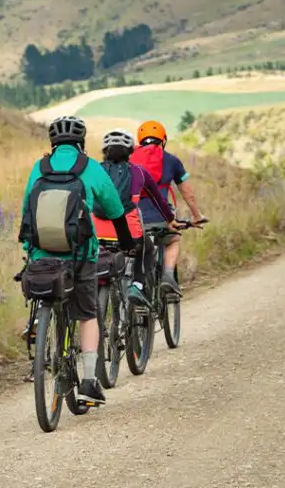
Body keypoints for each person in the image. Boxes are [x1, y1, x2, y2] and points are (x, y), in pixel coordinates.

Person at [18, 115, 136, 406]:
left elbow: (25, 211)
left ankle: (37, 327)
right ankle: (88, 381)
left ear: (52, 143)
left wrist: (28, 246)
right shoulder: (90, 167)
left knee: (44, 286)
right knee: (87, 314)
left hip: (42, 254)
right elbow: (114, 209)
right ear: (81, 142)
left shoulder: (40, 167)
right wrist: (127, 242)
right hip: (81, 255)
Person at [91, 128, 176, 305]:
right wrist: (171, 219)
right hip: (128, 232)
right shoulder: (138, 172)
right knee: (147, 247)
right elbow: (159, 200)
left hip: (96, 232)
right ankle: (137, 285)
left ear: (105, 151)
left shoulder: (94, 170)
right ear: (131, 151)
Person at [130, 120, 208, 301]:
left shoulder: (130, 160)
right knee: (173, 239)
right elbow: (187, 193)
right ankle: (167, 275)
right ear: (163, 140)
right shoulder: (172, 161)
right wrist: (197, 216)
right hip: (161, 218)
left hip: (133, 219)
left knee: (134, 248)